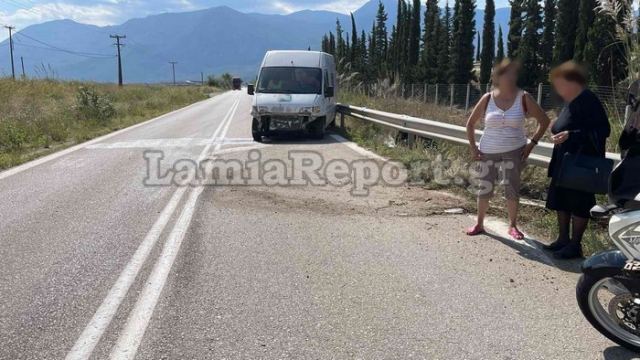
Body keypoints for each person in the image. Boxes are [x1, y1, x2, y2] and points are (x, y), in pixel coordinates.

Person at [465, 59, 551, 240]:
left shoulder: (524, 97)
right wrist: (474, 148)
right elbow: (470, 124)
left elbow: (544, 121)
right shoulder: (487, 98)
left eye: (512, 73)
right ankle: (479, 224)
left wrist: (531, 144)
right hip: (488, 149)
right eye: (505, 73)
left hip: (514, 150)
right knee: (484, 187)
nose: (509, 77)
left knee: (511, 188)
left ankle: (512, 225)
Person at [544, 61, 611, 259]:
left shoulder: (587, 98)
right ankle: (563, 239)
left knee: (580, 202)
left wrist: (571, 135)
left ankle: (575, 245)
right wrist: (557, 132)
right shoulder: (571, 101)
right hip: (564, 161)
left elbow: (602, 130)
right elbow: (564, 125)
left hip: (581, 163)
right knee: (561, 200)